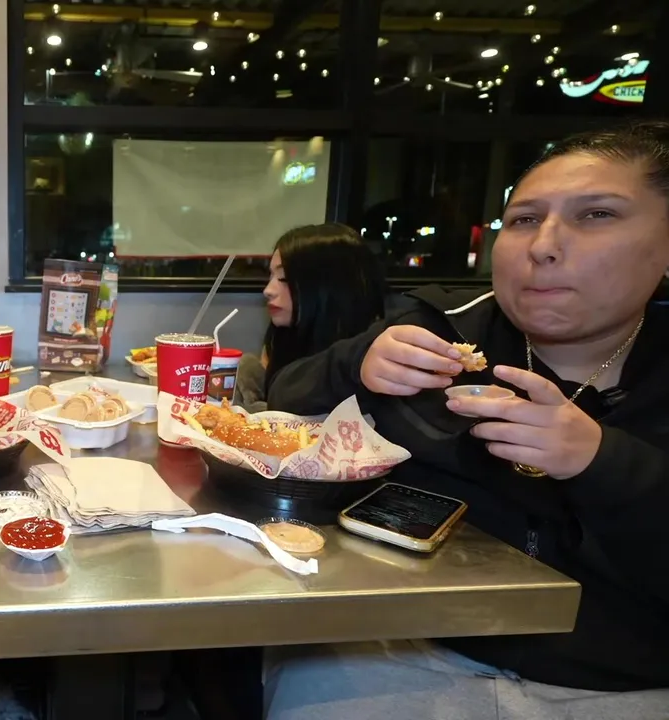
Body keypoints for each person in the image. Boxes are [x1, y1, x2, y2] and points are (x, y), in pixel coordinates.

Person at [263, 121, 669, 718]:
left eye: (597, 215)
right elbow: (284, 399)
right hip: (403, 648)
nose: (544, 246)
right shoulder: (441, 327)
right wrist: (357, 364)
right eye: (524, 219)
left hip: (621, 686)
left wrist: (601, 460)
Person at [232, 224, 388, 412]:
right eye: (271, 276)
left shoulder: (370, 360)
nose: (268, 290)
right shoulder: (282, 337)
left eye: (284, 278)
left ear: (329, 286)